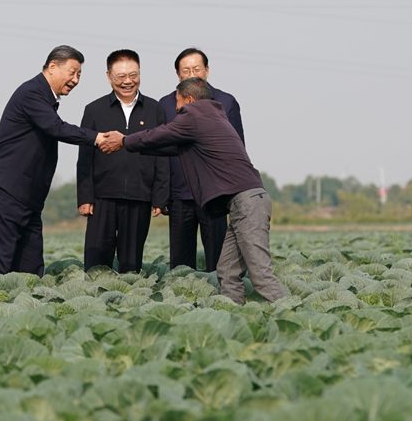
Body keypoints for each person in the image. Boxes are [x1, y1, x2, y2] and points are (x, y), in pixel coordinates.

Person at [99, 77, 284, 305]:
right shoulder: (213, 116)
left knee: (261, 275)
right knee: (226, 271)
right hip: (246, 201)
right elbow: (170, 146)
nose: (176, 110)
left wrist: (125, 140)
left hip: (247, 203)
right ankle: (234, 316)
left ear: (189, 99)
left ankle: (298, 317)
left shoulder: (194, 115)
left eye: (178, 104)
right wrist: (132, 148)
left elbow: (159, 134)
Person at [0, 45, 107, 276]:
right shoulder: (32, 93)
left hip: (28, 199)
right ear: (52, 66)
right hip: (6, 190)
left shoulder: (45, 98)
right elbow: (56, 128)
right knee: (0, 266)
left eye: (79, 74)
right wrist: (96, 137)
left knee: (31, 270)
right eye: (72, 72)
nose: (76, 79)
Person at [77, 49, 169, 273]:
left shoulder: (155, 109)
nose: (128, 81)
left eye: (133, 75)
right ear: (109, 77)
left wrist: (159, 196)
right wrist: (85, 196)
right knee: (96, 260)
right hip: (102, 198)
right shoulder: (94, 110)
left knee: (131, 263)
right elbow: (84, 158)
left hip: (140, 197)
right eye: (121, 76)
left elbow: (163, 156)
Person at [159, 48, 244, 272]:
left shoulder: (226, 102)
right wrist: (161, 194)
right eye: (185, 70)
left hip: (214, 195)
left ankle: (220, 301)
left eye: (196, 69)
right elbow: (158, 152)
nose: (192, 74)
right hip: (179, 195)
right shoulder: (166, 105)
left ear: (207, 70)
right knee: (180, 263)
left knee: (219, 261)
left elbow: (236, 150)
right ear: (178, 74)